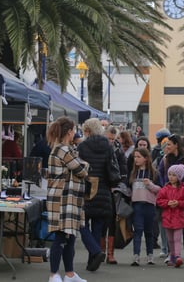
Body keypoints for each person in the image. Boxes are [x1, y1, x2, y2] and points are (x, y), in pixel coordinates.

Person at [44, 117, 89, 282]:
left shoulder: (61, 148)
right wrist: (84, 165)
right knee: (61, 237)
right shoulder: (63, 150)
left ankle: (69, 274)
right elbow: (81, 170)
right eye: (73, 131)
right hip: (64, 199)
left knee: (69, 236)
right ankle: (54, 274)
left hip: (66, 198)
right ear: (69, 132)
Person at [77, 118, 120, 271]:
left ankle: (95, 252)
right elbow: (112, 169)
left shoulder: (82, 146)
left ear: (87, 131)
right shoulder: (108, 147)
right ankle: (92, 260)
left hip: (86, 189)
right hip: (104, 190)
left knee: (81, 224)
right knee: (98, 225)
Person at [157, 134, 184, 263]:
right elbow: (160, 175)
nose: (167, 147)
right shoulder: (165, 159)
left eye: (169, 144)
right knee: (169, 225)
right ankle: (172, 253)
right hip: (169, 199)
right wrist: (166, 188)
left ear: (176, 145)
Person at [128, 147, 161, 266]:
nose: (136, 159)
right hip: (137, 205)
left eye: (138, 157)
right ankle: (136, 256)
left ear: (146, 158)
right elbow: (129, 189)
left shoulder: (154, 173)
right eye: (134, 157)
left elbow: (160, 190)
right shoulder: (133, 173)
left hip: (149, 205)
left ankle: (150, 255)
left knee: (149, 231)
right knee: (137, 230)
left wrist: (150, 185)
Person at [156, 164, 184, 268]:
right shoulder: (165, 189)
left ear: (179, 177)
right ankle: (172, 255)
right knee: (170, 239)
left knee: (177, 238)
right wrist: (167, 203)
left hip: (179, 217)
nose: (171, 177)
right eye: (169, 174)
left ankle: (177, 256)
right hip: (167, 217)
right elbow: (159, 200)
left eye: (174, 175)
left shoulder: (183, 189)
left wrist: (178, 203)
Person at [102, 124, 128, 264]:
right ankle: (100, 251)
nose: (111, 141)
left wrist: (118, 186)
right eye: (108, 138)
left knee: (112, 222)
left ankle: (110, 253)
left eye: (113, 139)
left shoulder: (119, 151)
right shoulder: (100, 148)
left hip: (114, 190)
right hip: (101, 188)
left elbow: (124, 170)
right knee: (101, 221)